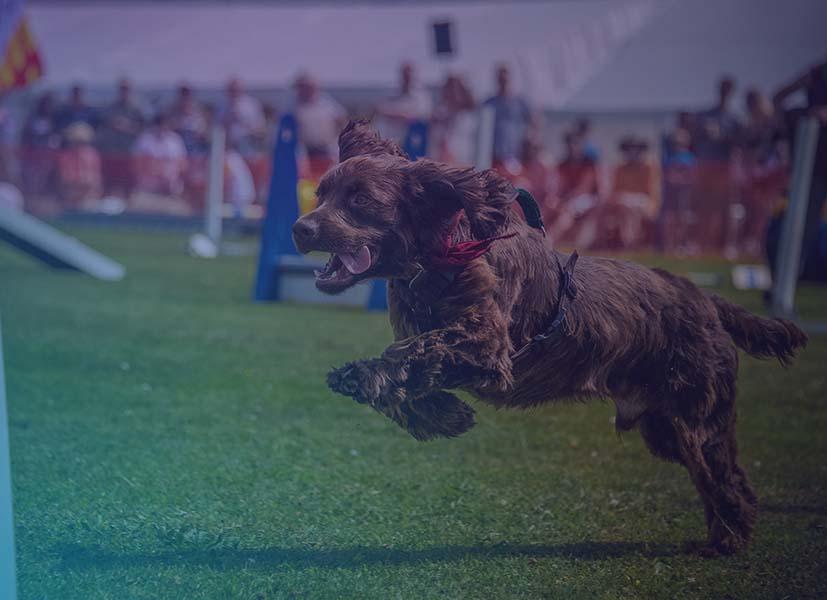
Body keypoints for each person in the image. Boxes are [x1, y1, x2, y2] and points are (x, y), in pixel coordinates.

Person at [773, 57, 827, 277]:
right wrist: (786, 134)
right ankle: (788, 276)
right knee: (802, 223)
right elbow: (779, 96)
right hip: (812, 162)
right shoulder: (818, 71)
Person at [692, 76, 742, 252]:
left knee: (726, 207)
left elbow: (739, 143)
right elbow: (694, 139)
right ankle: (702, 244)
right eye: (722, 88)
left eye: (727, 89)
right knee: (704, 206)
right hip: (706, 167)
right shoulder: (705, 116)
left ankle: (727, 245)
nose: (724, 92)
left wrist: (722, 136)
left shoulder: (735, 119)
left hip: (725, 168)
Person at [97, 78, 145, 197]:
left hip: (129, 152)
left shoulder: (137, 108)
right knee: (109, 185)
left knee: (128, 186)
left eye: (126, 89)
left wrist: (127, 127)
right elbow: (104, 126)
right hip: (111, 152)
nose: (124, 91)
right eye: (122, 89)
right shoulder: (111, 108)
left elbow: (143, 130)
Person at [484, 64, 533, 172]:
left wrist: (529, 136)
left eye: (505, 79)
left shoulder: (519, 102)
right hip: (494, 155)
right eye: (501, 79)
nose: (503, 82)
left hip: (514, 155)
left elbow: (534, 120)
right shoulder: (490, 103)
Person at [293, 72, 347, 170]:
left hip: (327, 149)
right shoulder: (294, 106)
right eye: (302, 87)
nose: (305, 90)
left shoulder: (327, 104)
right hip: (304, 151)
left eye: (308, 87)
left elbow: (341, 120)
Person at [132, 113, 188, 197]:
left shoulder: (175, 140)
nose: (163, 128)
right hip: (148, 182)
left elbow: (183, 164)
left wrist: (168, 172)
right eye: (160, 125)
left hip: (170, 183)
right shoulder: (145, 139)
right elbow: (136, 164)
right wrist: (155, 169)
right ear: (155, 126)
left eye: (165, 126)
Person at [377, 62, 432, 145]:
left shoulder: (421, 96)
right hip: (392, 139)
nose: (407, 77)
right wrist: (400, 115)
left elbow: (424, 115)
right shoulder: (392, 93)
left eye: (409, 74)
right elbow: (381, 109)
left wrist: (405, 117)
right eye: (405, 74)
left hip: (413, 140)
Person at [431, 74, 477, 165]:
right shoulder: (440, 112)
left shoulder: (467, 115)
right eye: (449, 89)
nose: (452, 93)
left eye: (455, 89)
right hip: (441, 160)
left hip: (461, 160)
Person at [20, 92, 59, 196]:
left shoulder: (53, 120)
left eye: (49, 104)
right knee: (32, 175)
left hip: (47, 153)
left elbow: (55, 137)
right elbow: (26, 135)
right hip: (33, 153)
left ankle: (40, 194)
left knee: (44, 175)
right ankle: (31, 194)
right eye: (45, 104)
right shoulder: (32, 119)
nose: (46, 107)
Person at [56, 122, 102, 209]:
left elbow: (94, 181)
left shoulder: (92, 155)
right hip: (69, 197)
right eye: (76, 142)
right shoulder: (66, 157)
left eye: (83, 143)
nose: (79, 146)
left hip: (89, 198)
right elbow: (65, 180)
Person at [217, 77, 266, 155]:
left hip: (247, 143)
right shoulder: (222, 105)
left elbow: (260, 127)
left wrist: (241, 119)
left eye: (236, 89)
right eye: (231, 90)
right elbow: (218, 126)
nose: (234, 92)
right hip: (229, 145)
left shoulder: (251, 104)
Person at [168, 83, 209, 155]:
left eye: (187, 95)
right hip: (178, 148)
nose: (185, 98)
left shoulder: (199, 114)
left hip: (195, 148)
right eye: (183, 95)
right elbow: (169, 131)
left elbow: (204, 134)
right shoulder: (173, 113)